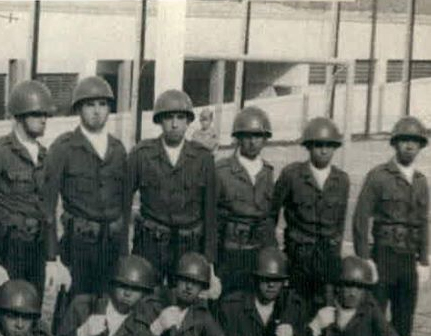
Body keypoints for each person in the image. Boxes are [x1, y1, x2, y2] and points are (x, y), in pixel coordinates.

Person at [352, 116, 431, 336]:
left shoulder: (421, 182)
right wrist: (365, 259)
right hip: (383, 257)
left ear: (420, 146)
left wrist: (424, 260)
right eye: (404, 141)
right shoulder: (379, 176)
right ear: (395, 144)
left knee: (403, 323)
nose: (409, 146)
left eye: (415, 142)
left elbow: (423, 222)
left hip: (407, 260)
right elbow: (361, 218)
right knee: (375, 321)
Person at [128, 89, 220, 298]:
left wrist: (209, 260)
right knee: (146, 299)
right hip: (150, 244)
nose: (175, 124)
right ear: (160, 121)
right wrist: (123, 251)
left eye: (180, 117)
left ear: (188, 122)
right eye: (169, 117)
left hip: (189, 246)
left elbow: (210, 213)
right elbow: (124, 204)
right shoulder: (142, 155)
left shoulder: (203, 158)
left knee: (185, 303)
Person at [45, 76, 131, 297]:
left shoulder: (118, 149)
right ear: (78, 109)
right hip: (78, 246)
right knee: (75, 305)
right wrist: (52, 257)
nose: (97, 111)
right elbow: (48, 207)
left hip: (111, 247)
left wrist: (124, 251)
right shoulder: (63, 148)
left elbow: (125, 205)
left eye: (103, 104)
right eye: (90, 105)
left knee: (109, 304)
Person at [0, 80, 70, 294]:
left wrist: (52, 258)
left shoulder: (45, 156)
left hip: (36, 248)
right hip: (7, 248)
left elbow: (48, 211)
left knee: (33, 304)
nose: (44, 120)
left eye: (45, 115)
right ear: (19, 116)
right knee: (7, 304)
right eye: (37, 114)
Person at [272, 117, 350, 307]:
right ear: (308, 147)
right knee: (294, 309)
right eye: (318, 145)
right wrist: (276, 252)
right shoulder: (292, 175)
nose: (324, 151)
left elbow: (339, 224)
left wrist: (335, 256)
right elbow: (271, 214)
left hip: (328, 261)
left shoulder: (342, 180)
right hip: (298, 259)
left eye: (329, 146)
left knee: (326, 313)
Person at [215, 106, 277, 296]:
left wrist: (272, 253)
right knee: (226, 301)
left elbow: (270, 217)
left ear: (265, 139)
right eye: (247, 136)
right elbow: (212, 218)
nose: (252, 141)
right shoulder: (222, 171)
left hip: (259, 252)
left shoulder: (267, 172)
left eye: (258, 136)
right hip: (230, 254)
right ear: (238, 138)